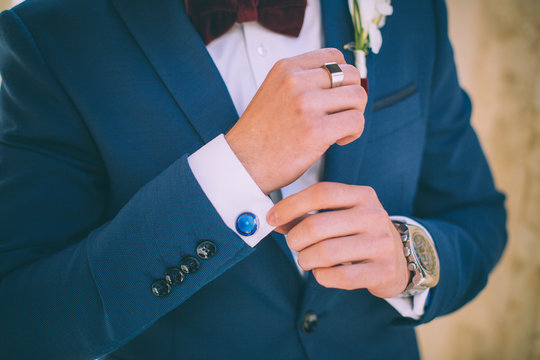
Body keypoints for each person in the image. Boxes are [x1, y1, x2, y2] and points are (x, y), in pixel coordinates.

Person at [0, 0, 506, 359]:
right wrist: (236, 169)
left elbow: (477, 216)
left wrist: (408, 257)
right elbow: (25, 322)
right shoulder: (50, 36)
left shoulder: (413, 11)